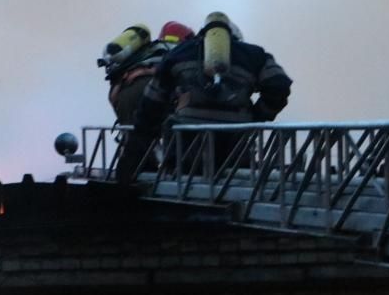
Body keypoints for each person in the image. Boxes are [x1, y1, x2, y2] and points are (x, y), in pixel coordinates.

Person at [131, 11, 292, 178]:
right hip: (235, 154)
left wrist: (134, 149)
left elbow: (151, 102)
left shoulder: (179, 53)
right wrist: (257, 116)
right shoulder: (255, 55)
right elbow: (279, 85)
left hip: (184, 157)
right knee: (232, 191)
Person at [99, 21, 194, 177]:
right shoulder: (181, 53)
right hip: (152, 91)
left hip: (122, 92)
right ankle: (169, 168)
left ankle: (136, 169)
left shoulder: (146, 53)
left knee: (136, 139)